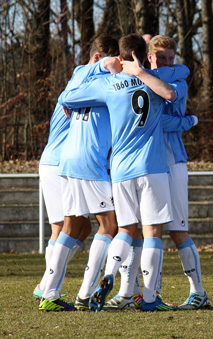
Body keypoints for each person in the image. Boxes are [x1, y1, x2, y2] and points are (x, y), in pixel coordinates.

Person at [59, 34, 186, 312]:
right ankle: (150, 299)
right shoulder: (152, 80)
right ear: (146, 54)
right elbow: (171, 93)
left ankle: (108, 275)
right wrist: (142, 72)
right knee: (152, 232)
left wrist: (99, 72)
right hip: (152, 168)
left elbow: (67, 97)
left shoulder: (108, 84)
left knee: (125, 229)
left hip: (120, 170)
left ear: (120, 56)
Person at [103, 35, 207, 311]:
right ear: (148, 57)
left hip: (171, 161)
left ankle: (198, 292)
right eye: (161, 57)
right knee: (137, 229)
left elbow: (160, 118)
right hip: (145, 164)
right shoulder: (138, 79)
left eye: (171, 58)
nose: (167, 63)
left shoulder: (176, 80)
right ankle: (133, 292)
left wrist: (186, 120)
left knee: (175, 230)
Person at [37, 36, 122, 311]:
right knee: (112, 226)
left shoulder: (77, 78)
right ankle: (85, 295)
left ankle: (48, 292)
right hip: (88, 162)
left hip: (68, 162)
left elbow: (66, 97)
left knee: (73, 227)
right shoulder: (108, 84)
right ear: (102, 60)